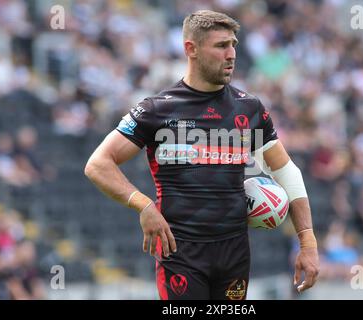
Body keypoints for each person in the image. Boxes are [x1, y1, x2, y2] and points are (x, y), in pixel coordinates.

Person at [85, 10, 319, 300]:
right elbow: (98, 164)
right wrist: (143, 206)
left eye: (233, 44)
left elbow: (286, 172)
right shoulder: (157, 110)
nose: (232, 54)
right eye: (221, 46)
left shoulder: (249, 109)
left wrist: (307, 242)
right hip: (180, 253)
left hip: (234, 253)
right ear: (190, 49)